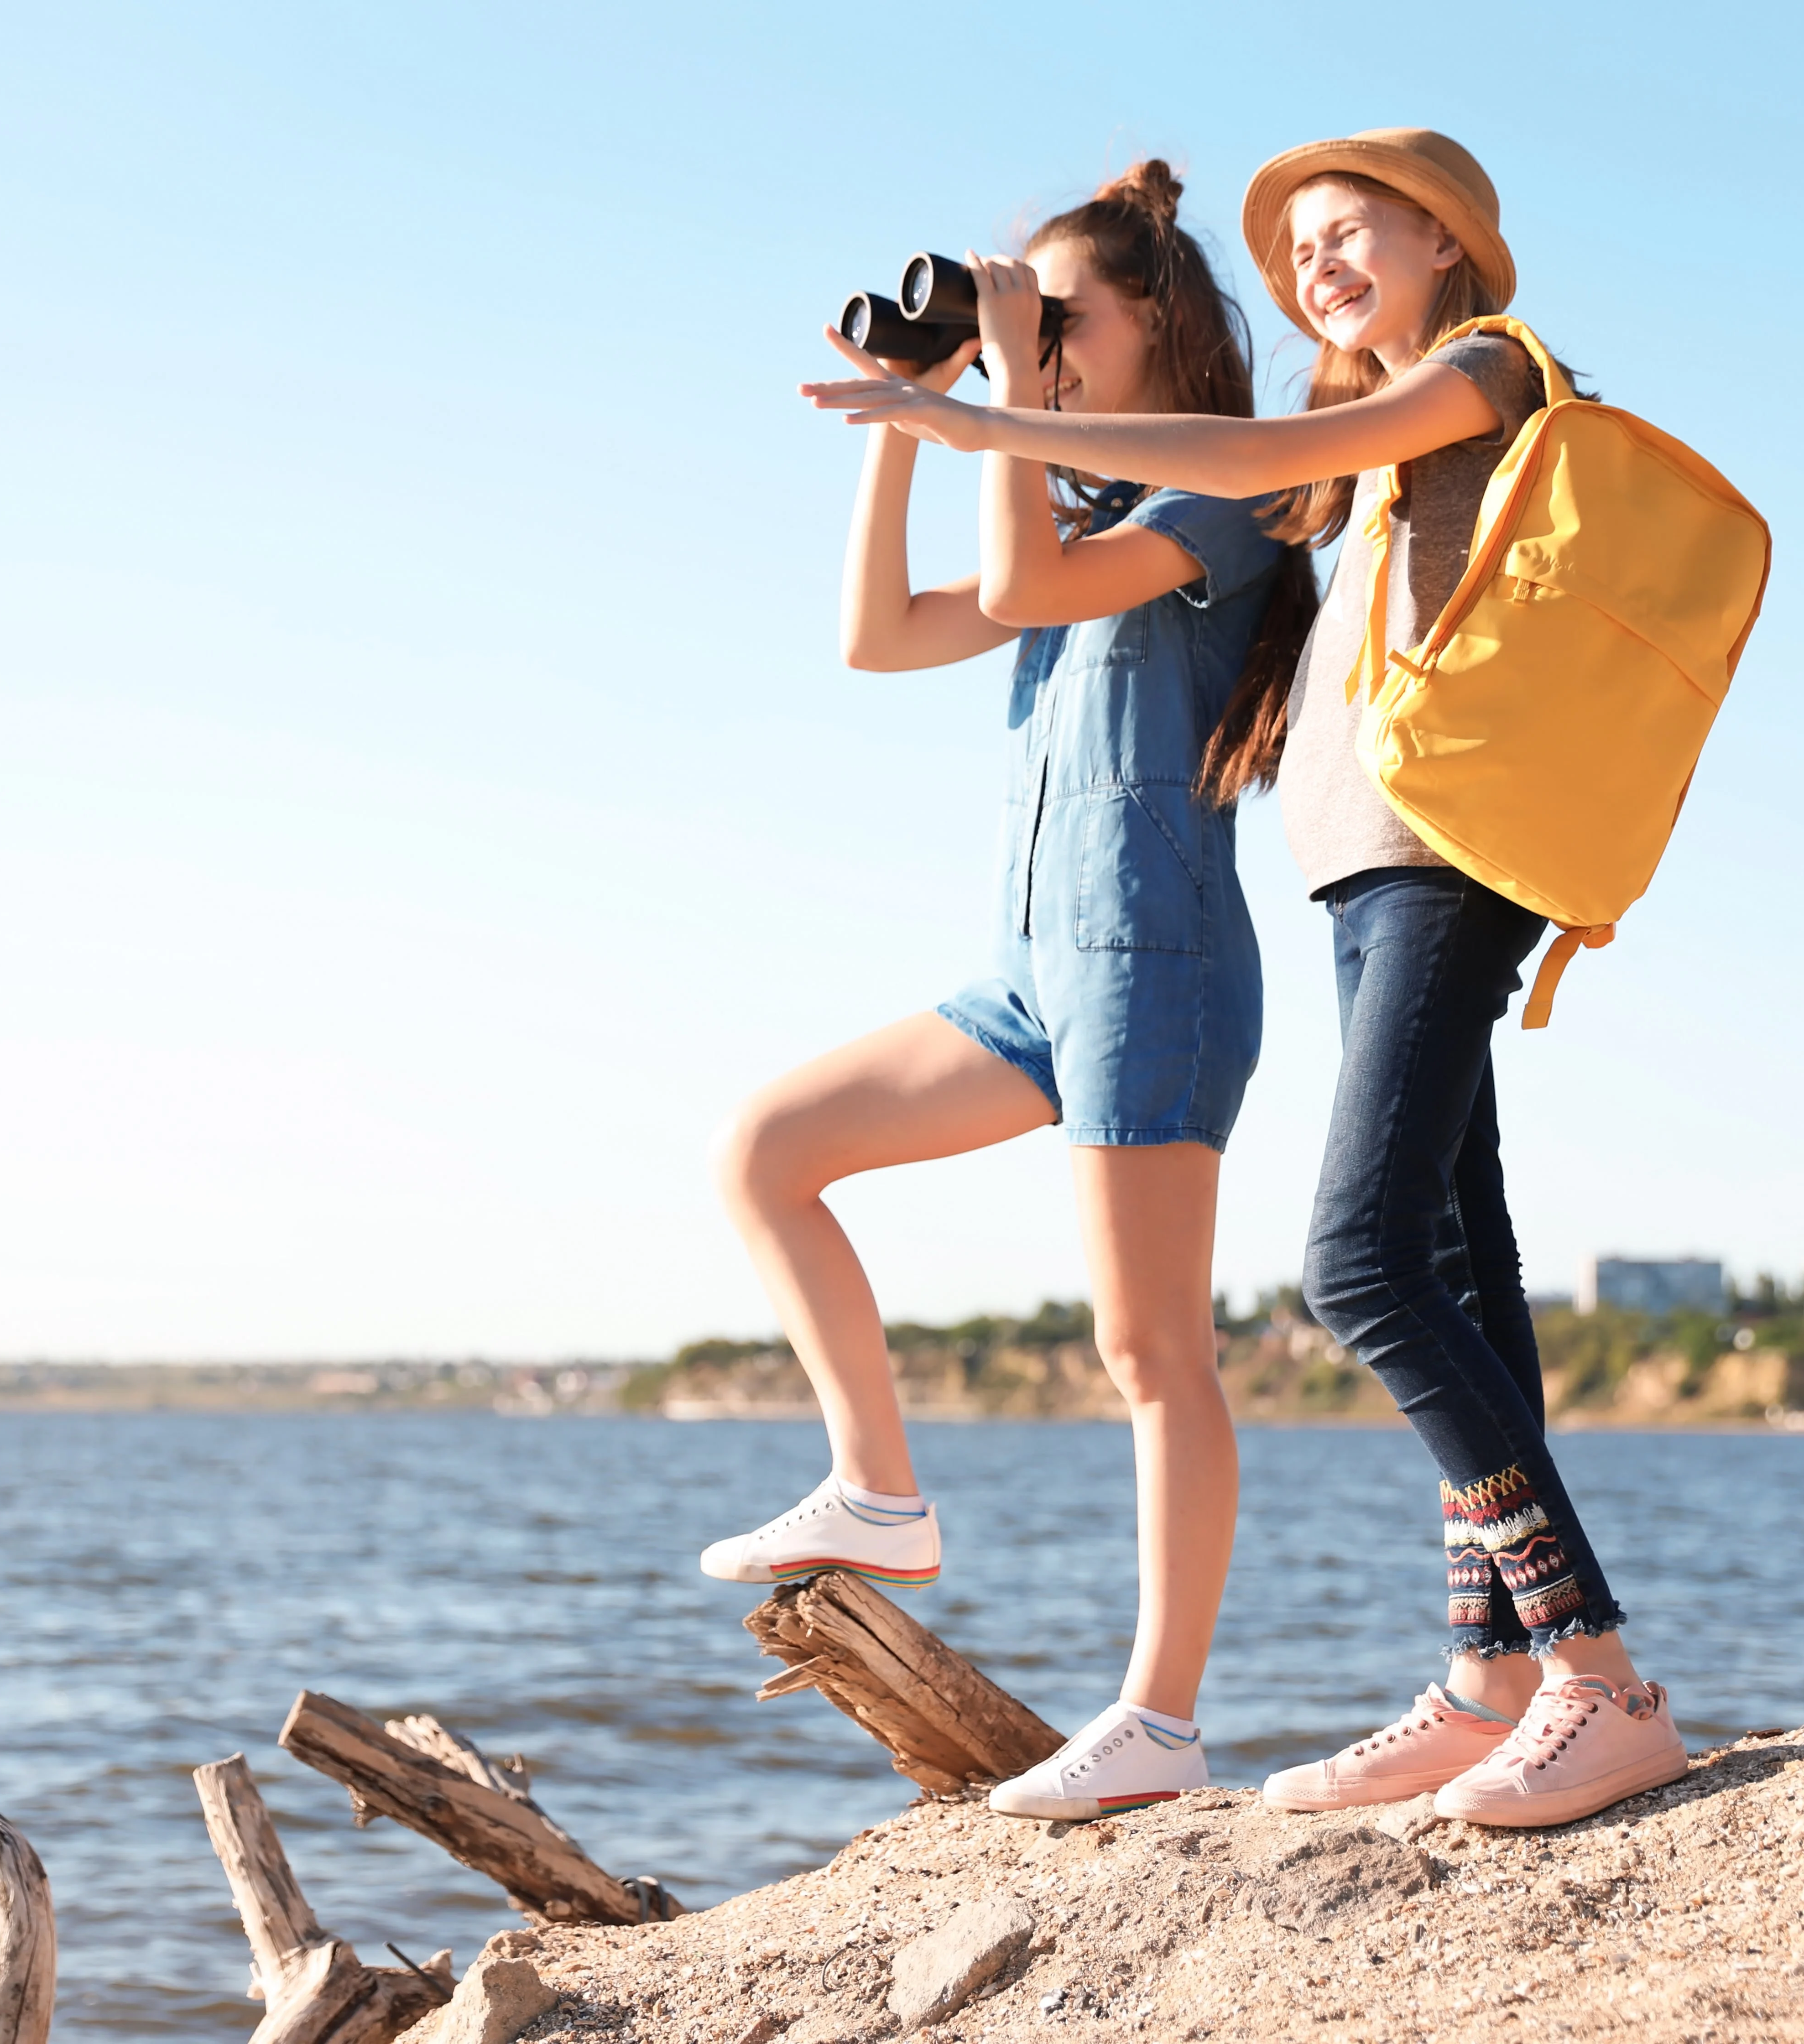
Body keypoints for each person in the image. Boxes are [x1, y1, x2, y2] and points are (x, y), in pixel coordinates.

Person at [800, 128, 1689, 1830]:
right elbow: (974, 595)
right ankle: (1490, 1678)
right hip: (1368, 869)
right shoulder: (1326, 475)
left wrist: (988, 412)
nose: (1322, 270)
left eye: (1354, 234)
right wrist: (969, 412)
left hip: (1446, 864)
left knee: (1356, 1266)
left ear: (1448, 242)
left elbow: (1282, 438)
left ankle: (1597, 1677)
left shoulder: (1481, 370)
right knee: (1454, 1257)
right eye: (1303, 255)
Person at [705, 162, 1310, 1821]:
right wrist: (917, 415)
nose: (1027, 348)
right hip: (1031, 980)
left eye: (1057, 320)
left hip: (1156, 968)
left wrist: (1002, 424)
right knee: (767, 1149)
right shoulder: (1080, 511)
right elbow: (879, 636)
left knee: (1147, 1347)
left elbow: (1032, 591)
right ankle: (880, 1489)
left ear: (1158, 334)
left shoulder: (1225, 507)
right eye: (1019, 320)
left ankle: (1161, 1721)